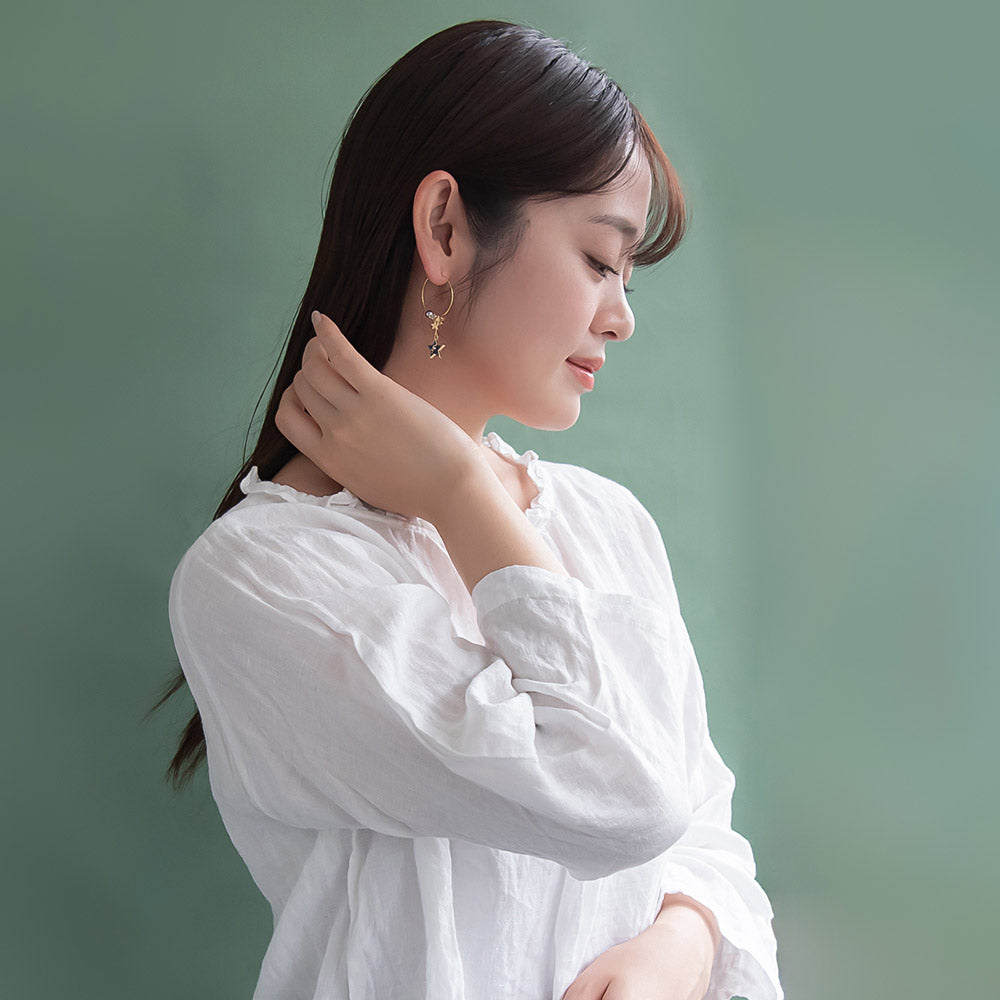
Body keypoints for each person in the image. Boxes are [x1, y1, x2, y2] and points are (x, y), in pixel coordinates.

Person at [164, 20, 782, 1000]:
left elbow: (703, 823)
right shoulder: (261, 577)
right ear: (445, 228)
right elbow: (620, 796)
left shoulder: (607, 524)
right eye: (599, 259)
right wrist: (457, 490)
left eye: (627, 275)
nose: (622, 315)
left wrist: (686, 937)